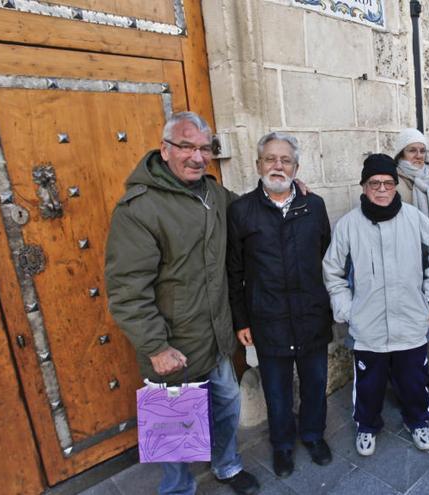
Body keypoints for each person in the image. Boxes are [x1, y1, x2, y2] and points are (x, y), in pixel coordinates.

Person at [105, 112, 259, 495]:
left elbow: (250, 212)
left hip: (216, 337)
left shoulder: (213, 193)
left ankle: (226, 465)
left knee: (227, 405)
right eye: (187, 146)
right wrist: (155, 346)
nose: (197, 156)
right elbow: (127, 288)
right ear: (165, 149)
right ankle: (178, 489)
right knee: (173, 430)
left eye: (204, 148)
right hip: (174, 343)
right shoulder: (139, 208)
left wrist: (285, 190)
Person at [323, 154, 429, 455]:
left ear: (395, 186)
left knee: (414, 380)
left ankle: (417, 420)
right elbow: (332, 270)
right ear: (364, 186)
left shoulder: (415, 219)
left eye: (388, 183)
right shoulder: (349, 225)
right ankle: (367, 426)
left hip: (410, 321)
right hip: (369, 325)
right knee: (369, 384)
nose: (381, 189)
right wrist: (347, 310)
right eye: (374, 183)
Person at [227, 132, 333, 478]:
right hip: (267, 318)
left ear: (296, 166)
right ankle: (283, 446)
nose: (277, 165)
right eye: (270, 159)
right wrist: (241, 320)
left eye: (285, 160)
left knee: (316, 383)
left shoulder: (313, 206)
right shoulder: (241, 211)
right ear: (258, 164)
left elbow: (326, 256)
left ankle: (314, 436)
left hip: (311, 315)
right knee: (276, 391)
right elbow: (235, 271)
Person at [394, 129, 429, 379]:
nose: (418, 155)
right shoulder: (393, 179)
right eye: (411, 150)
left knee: (425, 316)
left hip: (427, 255)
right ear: (401, 153)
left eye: (422, 150)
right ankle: (406, 373)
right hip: (403, 258)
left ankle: (420, 369)